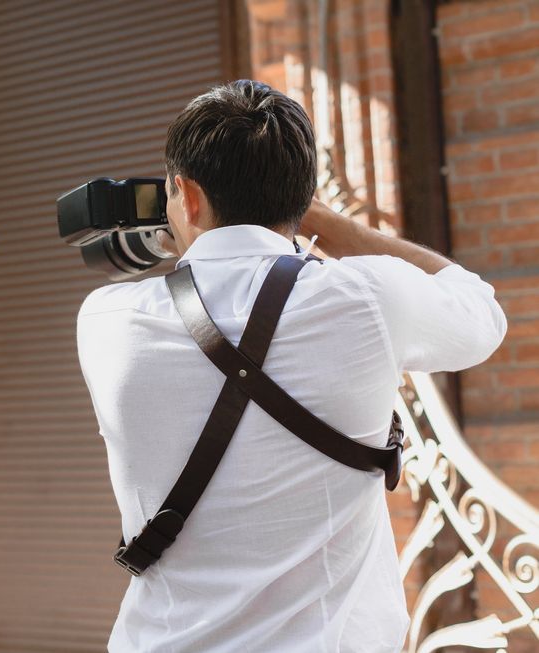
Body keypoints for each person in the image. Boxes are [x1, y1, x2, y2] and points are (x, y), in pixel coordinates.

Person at [76, 80, 508, 652]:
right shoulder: (368, 298)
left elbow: (206, 286)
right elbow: (481, 314)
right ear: (301, 199)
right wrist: (338, 229)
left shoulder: (108, 319)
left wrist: (184, 237)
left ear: (186, 193)